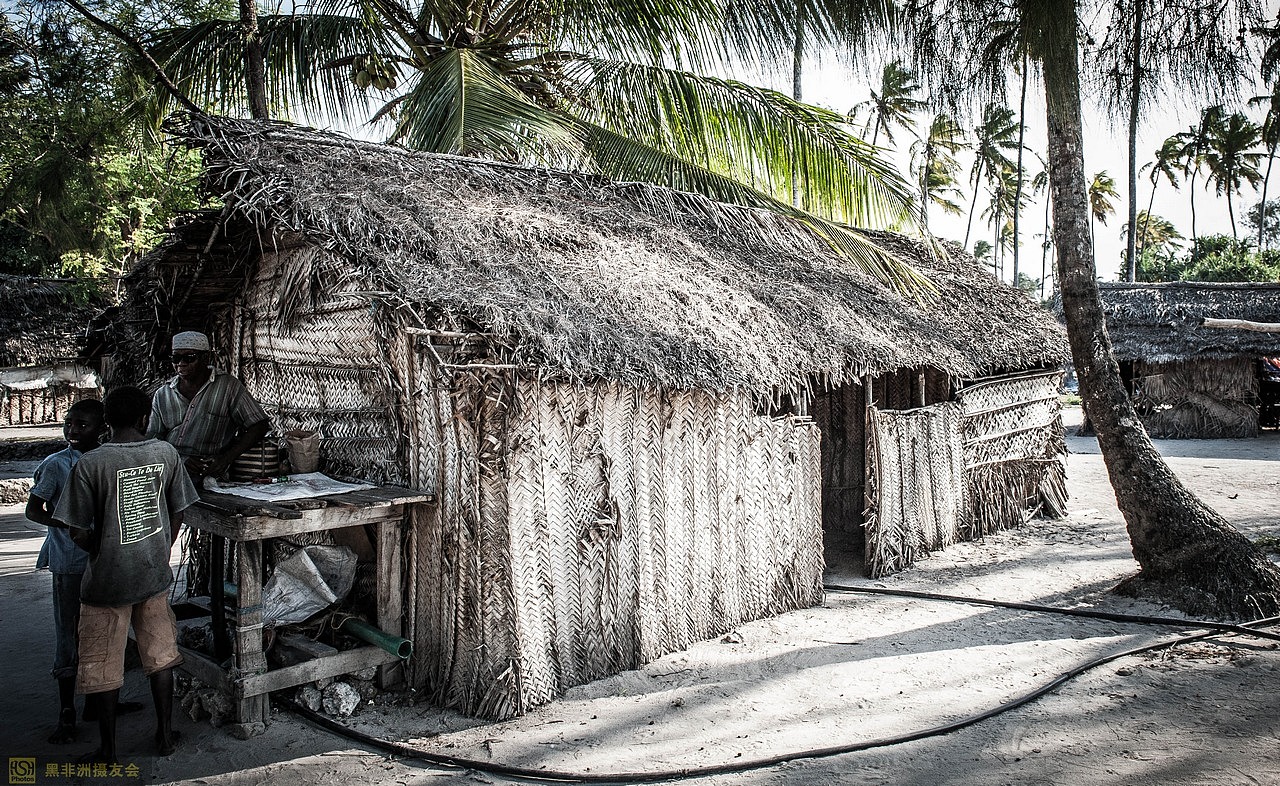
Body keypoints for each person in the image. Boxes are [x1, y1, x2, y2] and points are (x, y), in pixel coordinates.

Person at [55, 386, 200, 763]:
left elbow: (76, 528)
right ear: (144, 417)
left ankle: (108, 749)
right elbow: (179, 507)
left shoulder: (91, 463)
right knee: (161, 655)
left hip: (107, 582)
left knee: (102, 661)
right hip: (152, 575)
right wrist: (162, 546)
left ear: (106, 422)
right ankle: (165, 736)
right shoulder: (165, 453)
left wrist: (102, 552)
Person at [25, 399, 107, 744]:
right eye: (69, 424)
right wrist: (67, 522)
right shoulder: (56, 464)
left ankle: (93, 702)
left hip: (101, 561)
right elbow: (34, 510)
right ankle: (66, 710)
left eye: (83, 425)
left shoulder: (105, 460)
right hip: (68, 560)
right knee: (68, 631)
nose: (73, 431)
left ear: (103, 429)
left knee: (98, 629)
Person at [147, 330, 270, 480]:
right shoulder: (163, 394)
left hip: (208, 472)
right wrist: (179, 460)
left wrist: (225, 459)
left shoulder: (228, 386)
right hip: (169, 471)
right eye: (176, 358)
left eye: (189, 358)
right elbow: (153, 440)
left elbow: (259, 424)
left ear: (205, 357)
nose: (181, 363)